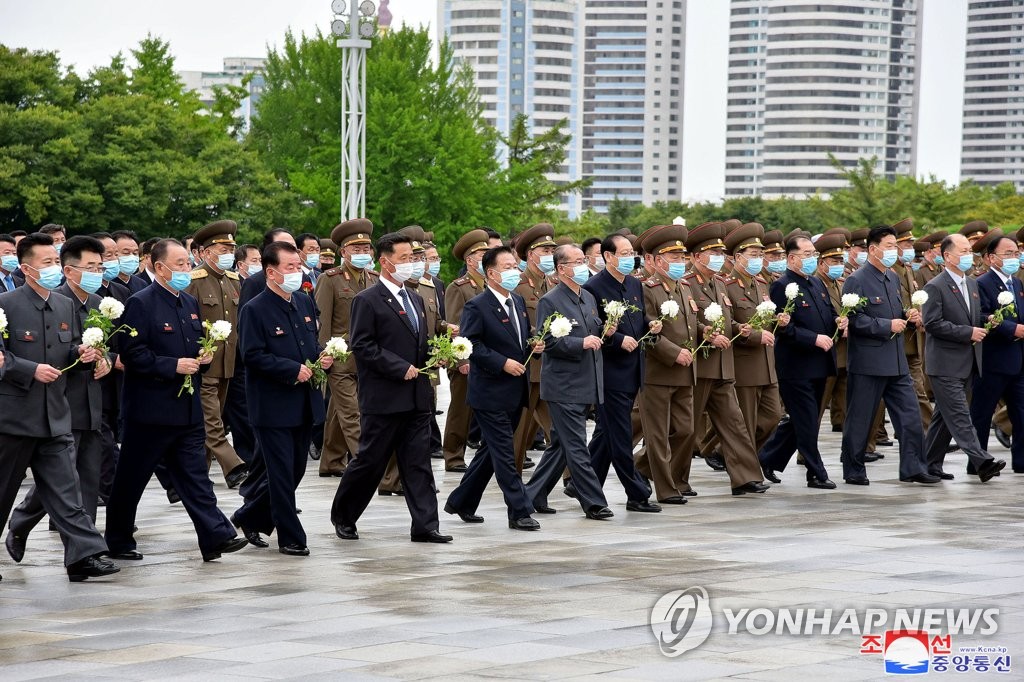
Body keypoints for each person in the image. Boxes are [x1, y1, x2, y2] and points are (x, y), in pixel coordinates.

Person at [104, 238, 248, 562]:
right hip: (150, 411)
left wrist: (204, 357)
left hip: (186, 409)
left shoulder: (188, 303)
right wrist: (172, 365)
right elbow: (133, 353)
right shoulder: (142, 303)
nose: (186, 269)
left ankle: (215, 536)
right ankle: (118, 539)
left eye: (187, 262)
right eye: (180, 264)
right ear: (160, 268)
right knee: (131, 479)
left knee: (195, 477)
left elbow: (192, 347)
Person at [0, 233, 117, 582]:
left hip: (56, 417)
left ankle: (85, 555)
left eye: (55, 261)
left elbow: (67, 354)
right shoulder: (5, 304)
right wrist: (29, 369)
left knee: (69, 492)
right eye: (46, 263)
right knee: (3, 492)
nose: (53, 268)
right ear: (26, 268)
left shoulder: (65, 306)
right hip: (15, 418)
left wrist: (83, 357)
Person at [331, 232, 451, 543]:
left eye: (413, 259)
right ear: (385, 263)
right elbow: (363, 346)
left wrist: (437, 357)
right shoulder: (366, 300)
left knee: (418, 464)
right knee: (370, 462)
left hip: (416, 397)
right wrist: (400, 368)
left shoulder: (414, 297)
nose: (411, 264)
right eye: (404, 259)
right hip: (385, 397)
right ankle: (344, 515)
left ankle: (426, 525)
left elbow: (419, 342)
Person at [233, 242, 330, 555]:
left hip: (303, 401)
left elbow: (308, 345)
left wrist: (320, 360)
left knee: (296, 470)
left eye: (297, 265)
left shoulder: (302, 302)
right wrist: (292, 369)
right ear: (270, 272)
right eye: (289, 268)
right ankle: (290, 536)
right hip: (272, 404)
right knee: (279, 473)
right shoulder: (255, 309)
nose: (296, 272)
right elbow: (252, 355)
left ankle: (248, 515)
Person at [444, 246, 541, 530]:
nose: (515, 271)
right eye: (509, 267)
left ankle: (461, 501)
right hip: (490, 392)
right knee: (505, 454)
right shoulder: (477, 305)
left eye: (516, 266)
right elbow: (472, 345)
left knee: (490, 452)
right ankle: (520, 510)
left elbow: (519, 337)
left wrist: (533, 346)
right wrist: (502, 363)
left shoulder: (519, 302)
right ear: (492, 273)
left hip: (514, 390)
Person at [839, 226, 939, 486]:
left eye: (896, 246)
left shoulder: (892, 278)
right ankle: (853, 468)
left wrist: (909, 315)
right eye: (890, 245)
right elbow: (853, 319)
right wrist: (886, 326)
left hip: (896, 361)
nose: (895, 251)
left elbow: (896, 310)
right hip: (869, 362)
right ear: (873, 249)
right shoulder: (857, 280)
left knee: (910, 417)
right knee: (861, 420)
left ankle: (913, 467)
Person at [571, 233, 662, 512]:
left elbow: (637, 318)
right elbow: (592, 327)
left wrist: (651, 325)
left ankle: (584, 487)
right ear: (608, 257)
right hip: (609, 373)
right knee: (620, 436)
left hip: (634, 369)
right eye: (623, 253)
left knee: (606, 436)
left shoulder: (634, 283)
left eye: (630, 252)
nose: (629, 258)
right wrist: (617, 339)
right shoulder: (593, 287)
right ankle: (636, 492)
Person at [524, 244, 615, 520]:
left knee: (561, 446)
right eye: (576, 261)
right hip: (563, 386)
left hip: (587, 382)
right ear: (561, 269)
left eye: (583, 260)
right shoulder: (550, 301)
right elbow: (548, 340)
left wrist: (605, 331)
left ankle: (532, 495)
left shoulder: (586, 296)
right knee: (576, 444)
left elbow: (593, 331)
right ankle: (594, 502)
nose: (583, 265)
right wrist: (581, 342)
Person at [681, 222, 771, 496]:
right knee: (687, 429)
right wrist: (705, 334)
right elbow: (685, 323)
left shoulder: (719, 283)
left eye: (721, 253)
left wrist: (740, 329)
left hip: (723, 365)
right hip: (699, 366)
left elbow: (729, 321)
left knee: (735, 424)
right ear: (697, 257)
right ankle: (663, 473)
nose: (719, 259)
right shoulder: (686, 284)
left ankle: (745, 477)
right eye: (713, 253)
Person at [758, 233, 839, 488]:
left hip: (819, 363)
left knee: (804, 419)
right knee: (806, 420)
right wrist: (813, 338)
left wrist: (840, 321)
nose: (812, 259)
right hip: (796, 365)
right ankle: (816, 472)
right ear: (792, 259)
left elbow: (829, 313)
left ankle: (767, 458)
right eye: (807, 255)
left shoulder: (816, 284)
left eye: (813, 254)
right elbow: (783, 327)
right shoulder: (781, 286)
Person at [185, 220, 248, 489]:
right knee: (212, 419)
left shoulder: (233, 281)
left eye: (231, 248)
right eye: (223, 248)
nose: (228, 254)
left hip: (229, 364)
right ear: (207, 251)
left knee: (213, 418)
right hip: (204, 364)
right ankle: (233, 466)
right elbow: (186, 323)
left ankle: (194, 476)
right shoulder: (193, 281)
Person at [315, 219, 378, 477]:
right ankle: (369, 465)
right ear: (343, 252)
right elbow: (323, 321)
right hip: (340, 358)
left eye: (366, 249)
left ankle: (331, 461)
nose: (363, 254)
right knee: (353, 414)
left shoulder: (374, 279)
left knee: (339, 412)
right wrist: (324, 355)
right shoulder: (329, 280)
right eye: (357, 249)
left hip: (368, 358)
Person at [723, 222, 783, 454]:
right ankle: (746, 467)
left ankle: (724, 451)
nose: (758, 259)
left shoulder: (760, 283)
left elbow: (764, 317)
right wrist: (755, 335)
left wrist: (778, 320)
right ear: (739, 257)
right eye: (753, 255)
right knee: (746, 422)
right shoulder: (727, 285)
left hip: (767, 363)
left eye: (760, 255)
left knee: (773, 416)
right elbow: (729, 324)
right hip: (745, 363)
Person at [968, 231, 1023, 474]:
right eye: (1008, 253)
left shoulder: (1017, 283)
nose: (1014, 257)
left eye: (1016, 253)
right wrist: (1012, 328)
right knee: (980, 414)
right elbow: (979, 316)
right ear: (991, 258)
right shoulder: (981, 283)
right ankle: (978, 463)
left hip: (1018, 361)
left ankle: (1021, 461)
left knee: (1021, 413)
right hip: (992, 360)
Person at [441, 229, 492, 473]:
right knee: (461, 410)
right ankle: (453, 455)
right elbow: (455, 328)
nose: (486, 257)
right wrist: (461, 359)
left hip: (487, 358)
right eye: (481, 253)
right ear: (469, 259)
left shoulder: (491, 285)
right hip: (466, 359)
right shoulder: (458, 288)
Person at [511, 223, 559, 471]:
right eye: (545, 251)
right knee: (519, 428)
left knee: (558, 428)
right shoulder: (518, 285)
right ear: (530, 255)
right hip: (527, 366)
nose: (550, 256)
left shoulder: (552, 284)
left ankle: (571, 479)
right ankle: (512, 473)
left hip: (550, 367)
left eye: (553, 250)